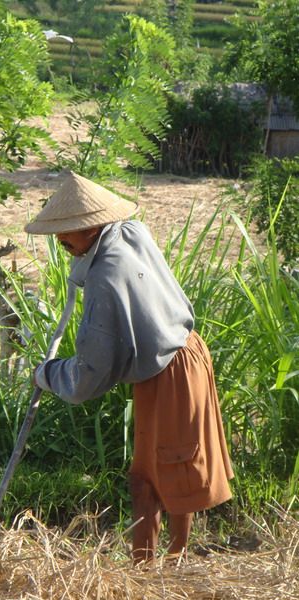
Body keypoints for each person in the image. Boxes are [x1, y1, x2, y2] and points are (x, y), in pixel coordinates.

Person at [25, 171, 234, 564]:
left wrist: (49, 374)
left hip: (169, 371)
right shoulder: (129, 231)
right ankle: (161, 562)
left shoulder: (106, 276)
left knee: (163, 474)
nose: (61, 241)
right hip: (184, 357)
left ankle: (162, 564)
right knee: (162, 469)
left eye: (67, 232)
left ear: (92, 227)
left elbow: (92, 371)